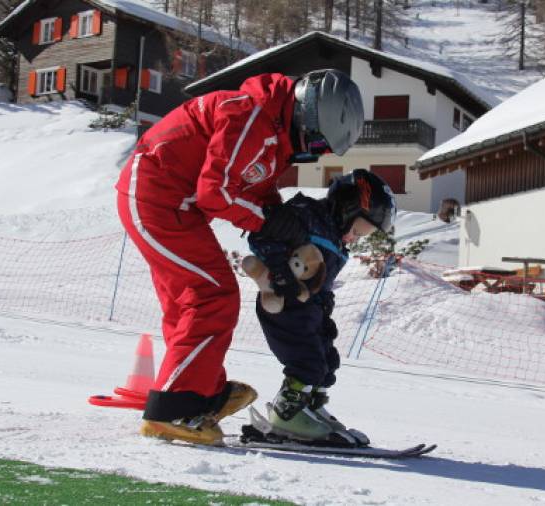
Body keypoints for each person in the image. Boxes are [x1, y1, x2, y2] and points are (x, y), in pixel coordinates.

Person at [115, 69, 364, 445]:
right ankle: (175, 410)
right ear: (307, 117)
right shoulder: (251, 117)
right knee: (212, 295)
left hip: (174, 205)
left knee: (191, 303)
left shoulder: (271, 130)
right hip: (155, 199)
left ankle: (200, 392)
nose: (313, 156)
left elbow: (256, 195)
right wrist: (273, 222)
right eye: (316, 145)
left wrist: (281, 248)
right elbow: (216, 192)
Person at [248, 169, 396, 444]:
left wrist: (324, 299)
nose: (357, 237)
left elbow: (320, 275)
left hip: (309, 306)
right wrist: (280, 271)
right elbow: (261, 236)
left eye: (365, 233)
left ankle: (309, 406)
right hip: (284, 301)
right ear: (348, 206)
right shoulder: (306, 215)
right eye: (360, 228)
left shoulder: (334, 235)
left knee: (327, 360)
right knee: (307, 361)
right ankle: (287, 413)